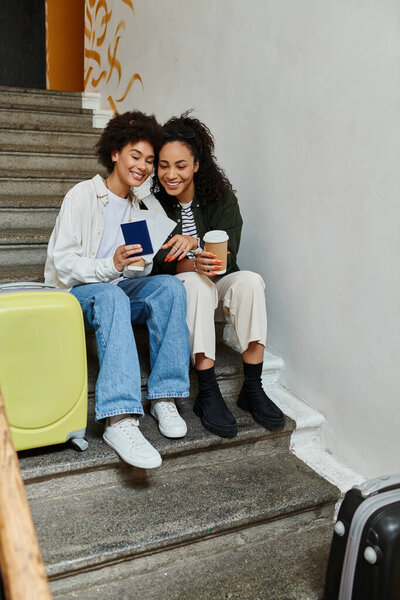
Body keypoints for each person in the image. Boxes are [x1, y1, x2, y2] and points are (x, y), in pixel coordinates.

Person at [44, 111, 190, 469]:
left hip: (117, 291)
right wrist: (112, 264)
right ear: (115, 153)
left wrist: (138, 259)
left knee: (169, 287)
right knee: (109, 294)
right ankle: (119, 419)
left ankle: (164, 396)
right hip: (75, 296)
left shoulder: (138, 206)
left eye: (149, 161)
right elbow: (64, 263)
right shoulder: (83, 196)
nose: (142, 166)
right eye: (135, 156)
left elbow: (140, 268)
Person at [151, 112, 285, 438]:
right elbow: (156, 264)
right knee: (196, 285)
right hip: (181, 283)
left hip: (220, 275)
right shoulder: (150, 205)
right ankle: (207, 391)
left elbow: (227, 257)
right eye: (163, 165)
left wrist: (195, 245)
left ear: (196, 165)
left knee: (250, 281)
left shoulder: (221, 198)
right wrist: (190, 263)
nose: (171, 174)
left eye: (180, 165)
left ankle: (252, 388)